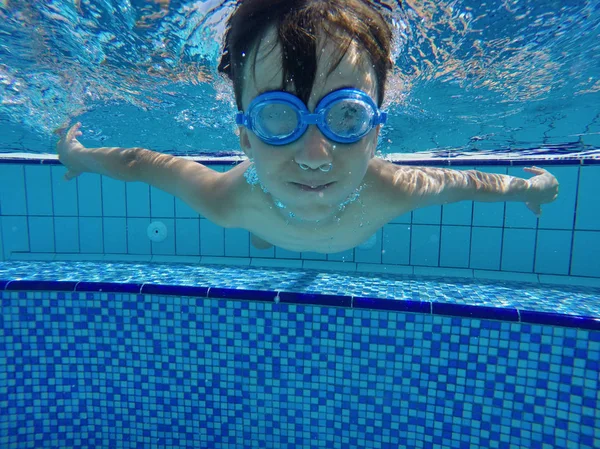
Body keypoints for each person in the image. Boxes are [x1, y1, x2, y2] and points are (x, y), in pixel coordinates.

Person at [57, 0, 559, 254]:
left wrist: (533, 187)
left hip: (270, 213)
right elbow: (138, 164)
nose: (315, 155)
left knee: (263, 226)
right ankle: (266, 235)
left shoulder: (396, 189)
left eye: (347, 115)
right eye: (278, 116)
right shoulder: (227, 199)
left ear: (377, 130)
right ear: (245, 134)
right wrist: (75, 155)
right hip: (260, 214)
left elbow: (472, 185)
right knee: (259, 230)